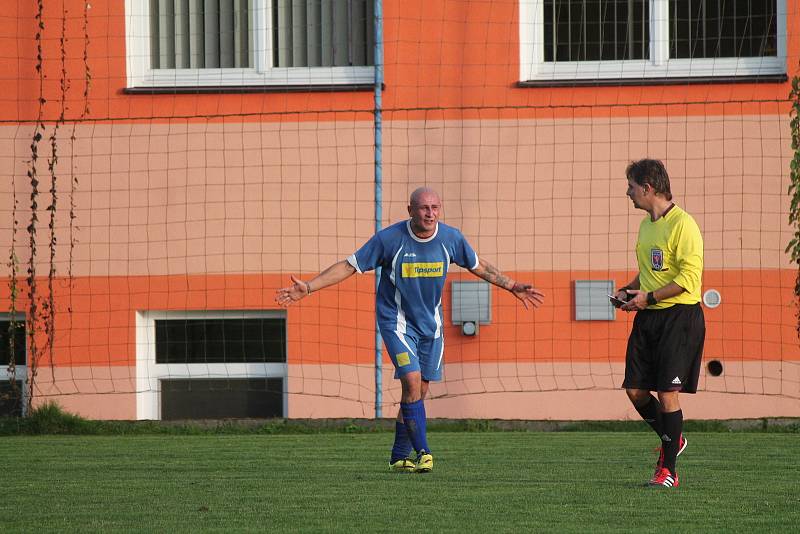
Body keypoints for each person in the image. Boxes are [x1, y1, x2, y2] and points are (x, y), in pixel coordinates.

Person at [276, 187, 544, 473]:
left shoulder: (451, 238)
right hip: (396, 323)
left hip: (432, 327)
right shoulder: (389, 239)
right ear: (410, 210)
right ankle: (424, 452)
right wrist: (309, 287)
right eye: (424, 208)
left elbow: (478, 266)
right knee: (412, 380)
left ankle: (398, 456)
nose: (430, 213)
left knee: (419, 389)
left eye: (435, 208)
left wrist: (511, 285)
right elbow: (349, 266)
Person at [611, 159, 705, 488]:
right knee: (636, 390)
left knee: (667, 393)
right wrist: (628, 290)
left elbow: (689, 279)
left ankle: (669, 471)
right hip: (648, 316)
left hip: (678, 317)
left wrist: (648, 298)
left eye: (632, 187)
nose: (628, 193)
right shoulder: (647, 225)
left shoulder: (684, 225)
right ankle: (673, 440)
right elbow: (650, 271)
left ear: (648, 188)